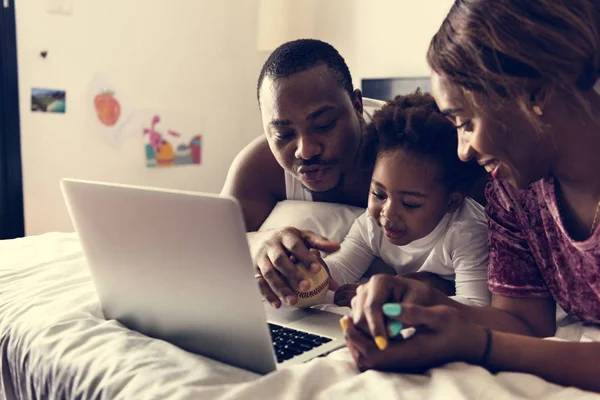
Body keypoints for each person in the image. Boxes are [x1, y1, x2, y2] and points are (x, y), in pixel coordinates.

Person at [341, 0, 600, 393]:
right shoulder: (515, 193)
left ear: (537, 93)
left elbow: (500, 340)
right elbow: (526, 323)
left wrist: (481, 346)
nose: (462, 151)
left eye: (466, 123)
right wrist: (426, 303)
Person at [221, 39, 396, 308]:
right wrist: (257, 242)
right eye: (283, 133)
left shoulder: (411, 148)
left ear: (357, 105)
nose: (306, 149)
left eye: (323, 125)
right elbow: (211, 245)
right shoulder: (258, 167)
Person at [324, 92, 489, 311]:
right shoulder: (373, 225)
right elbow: (340, 269)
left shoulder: (467, 232)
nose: (388, 214)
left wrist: (397, 295)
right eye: (379, 194)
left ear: (452, 203)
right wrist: (309, 270)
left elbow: (477, 306)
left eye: (410, 204)